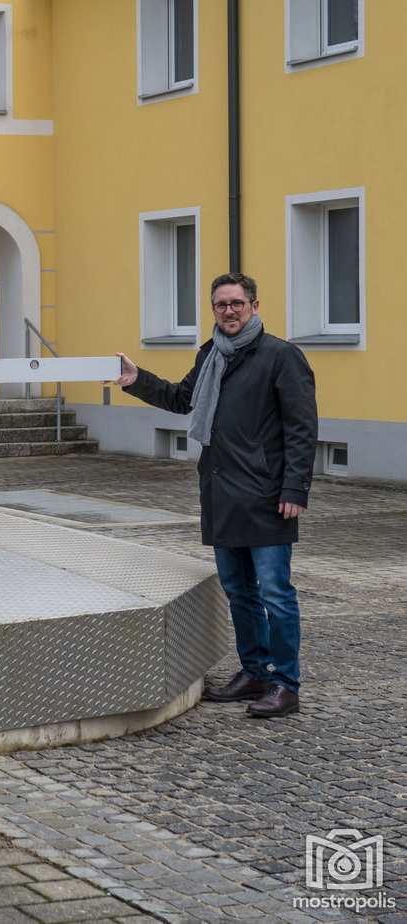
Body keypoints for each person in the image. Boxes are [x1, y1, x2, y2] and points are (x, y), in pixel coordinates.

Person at [112, 272, 317, 718]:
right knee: (239, 591)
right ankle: (254, 672)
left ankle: (286, 683)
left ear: (254, 306)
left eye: (236, 303)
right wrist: (137, 379)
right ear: (213, 309)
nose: (229, 311)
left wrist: (295, 488)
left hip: (267, 495)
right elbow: (183, 398)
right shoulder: (211, 355)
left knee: (276, 593)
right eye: (221, 304)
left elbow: (301, 430)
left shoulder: (281, 356)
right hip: (222, 492)